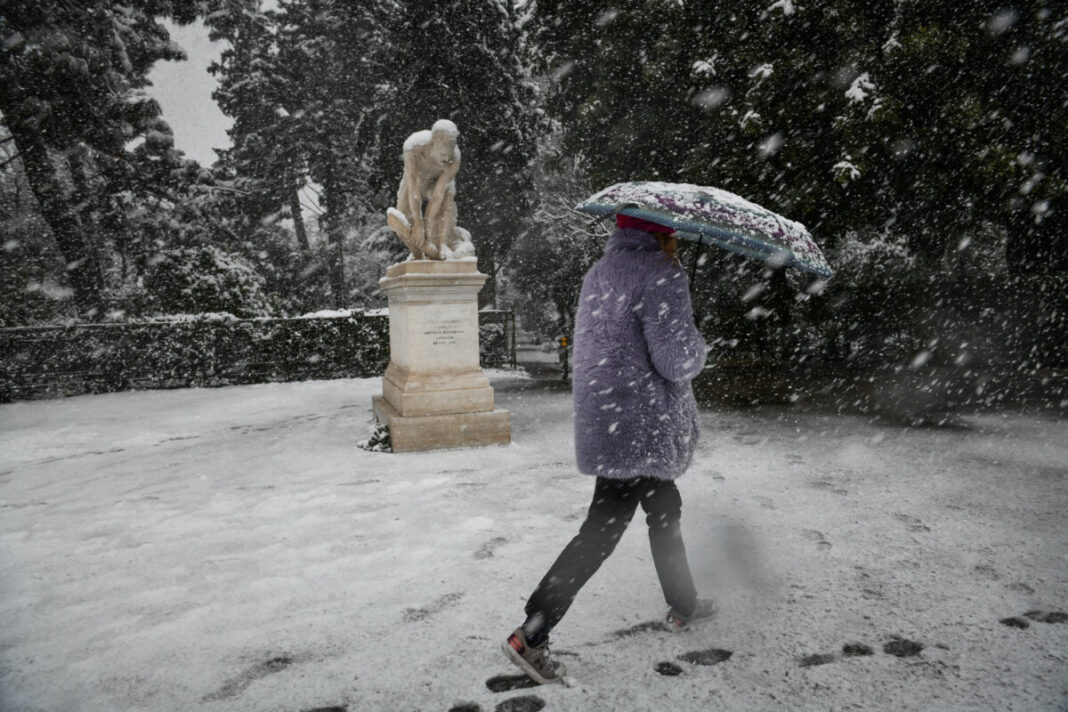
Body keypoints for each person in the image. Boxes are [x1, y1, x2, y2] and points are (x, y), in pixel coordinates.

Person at [501, 213, 715, 684]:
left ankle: (683, 603)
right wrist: (696, 341)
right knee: (602, 530)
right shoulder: (662, 274)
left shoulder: (600, 272)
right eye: (672, 232)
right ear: (662, 232)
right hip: (644, 426)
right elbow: (677, 361)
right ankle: (532, 632)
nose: (676, 239)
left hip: (613, 420)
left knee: (664, 510)